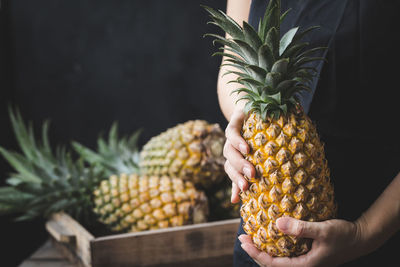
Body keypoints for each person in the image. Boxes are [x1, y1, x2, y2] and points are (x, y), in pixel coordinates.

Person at [217, 0, 400, 266]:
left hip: (381, 227)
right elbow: (233, 66)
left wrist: (364, 233)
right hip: (262, 237)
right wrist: (243, 118)